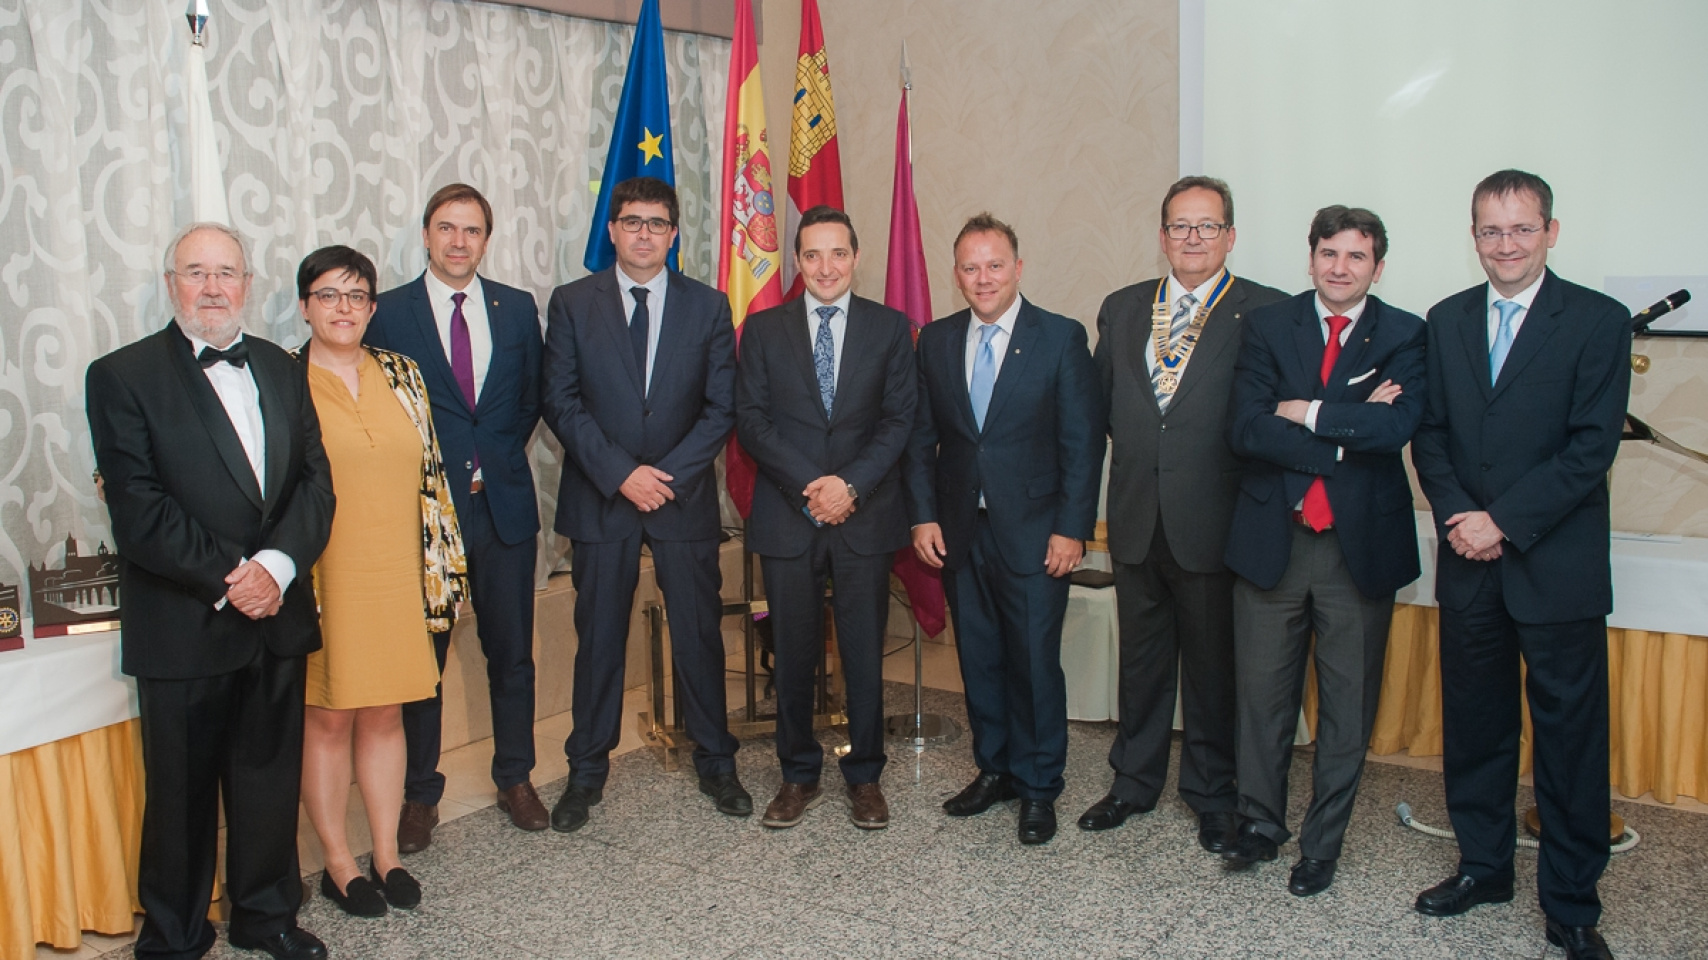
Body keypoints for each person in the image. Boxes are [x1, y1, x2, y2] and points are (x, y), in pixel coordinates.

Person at [85, 223, 334, 960]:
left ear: (248, 285)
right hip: (185, 620)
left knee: (266, 787)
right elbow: (138, 507)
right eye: (196, 272)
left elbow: (315, 484)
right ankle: (174, 935)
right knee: (180, 799)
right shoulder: (121, 375)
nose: (213, 287)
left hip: (275, 620)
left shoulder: (285, 368)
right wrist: (238, 578)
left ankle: (267, 919)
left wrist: (278, 570)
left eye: (227, 272)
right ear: (171, 285)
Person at [1410, 170, 1628, 960]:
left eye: (1521, 230)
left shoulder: (1598, 322)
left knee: (1569, 739)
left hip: (1555, 564)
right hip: (1469, 560)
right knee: (1476, 727)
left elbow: (1590, 448)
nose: (1506, 245)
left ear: (1551, 232)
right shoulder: (1446, 319)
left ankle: (1571, 902)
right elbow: (1429, 433)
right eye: (1490, 231)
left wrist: (1504, 520)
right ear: (1474, 237)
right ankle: (1483, 867)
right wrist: (1463, 520)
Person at [1219, 206, 1426, 895]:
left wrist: (1303, 411)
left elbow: (1395, 428)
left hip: (1356, 547)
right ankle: (1258, 824)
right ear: (1310, 258)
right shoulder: (1269, 325)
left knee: (1346, 708)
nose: (1340, 267)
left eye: (1356, 257)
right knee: (1261, 698)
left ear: (1378, 266)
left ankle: (1322, 844)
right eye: (1329, 253)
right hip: (1273, 539)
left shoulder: (1404, 333)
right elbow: (1246, 428)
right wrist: (1349, 429)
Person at [1083, 176, 1286, 853]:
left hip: (1215, 522)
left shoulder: (1265, 312)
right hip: (1138, 517)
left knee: (1210, 671)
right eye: (1179, 225)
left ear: (1230, 235)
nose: (1192, 238)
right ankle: (1132, 784)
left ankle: (1210, 793)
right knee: (1140, 667)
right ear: (1162, 234)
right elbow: (1107, 411)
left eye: (1207, 226)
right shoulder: (1124, 308)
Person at [541, 176, 748, 831]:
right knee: (598, 640)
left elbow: (722, 409)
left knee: (699, 635)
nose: (644, 234)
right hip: (604, 497)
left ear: (674, 232)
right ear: (612, 230)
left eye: (657, 223)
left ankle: (717, 761)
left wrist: (666, 476)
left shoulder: (709, 306)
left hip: (681, 499)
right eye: (632, 222)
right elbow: (561, 402)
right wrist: (622, 474)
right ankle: (586, 773)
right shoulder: (574, 303)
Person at [907, 213, 1103, 845]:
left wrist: (1072, 529)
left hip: (1037, 532)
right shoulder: (935, 341)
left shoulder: (1060, 338)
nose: (983, 277)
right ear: (956, 275)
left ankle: (1039, 785)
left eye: (995, 265)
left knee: (1034, 664)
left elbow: (1082, 444)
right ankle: (994, 769)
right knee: (982, 659)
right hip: (963, 531)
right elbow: (920, 439)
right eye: (970, 267)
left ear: (1019, 268)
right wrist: (923, 514)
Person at [366, 183, 547, 848]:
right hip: (425, 518)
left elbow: (526, 403)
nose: (458, 241)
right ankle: (420, 795)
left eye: (472, 230)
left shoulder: (518, 309)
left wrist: (486, 458)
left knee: (512, 655)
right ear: (426, 235)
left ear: (486, 239)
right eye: (447, 228)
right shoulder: (387, 312)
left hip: (501, 508)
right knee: (424, 661)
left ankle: (516, 777)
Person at [291, 245, 468, 916]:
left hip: (399, 569)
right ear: (305, 305)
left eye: (358, 296)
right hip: (324, 574)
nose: (345, 308)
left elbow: (432, 477)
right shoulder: (282, 378)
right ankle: (339, 862)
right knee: (331, 715)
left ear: (373, 306)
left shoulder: (403, 372)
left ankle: (387, 853)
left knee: (388, 712)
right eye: (330, 295)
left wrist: (445, 571)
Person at [736, 205, 918, 830]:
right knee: (792, 652)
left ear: (856, 257)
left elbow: (899, 421)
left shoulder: (892, 329)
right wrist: (813, 488)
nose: (825, 266)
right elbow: (752, 421)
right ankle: (797, 774)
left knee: (864, 651)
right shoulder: (762, 330)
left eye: (837, 253)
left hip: (864, 518)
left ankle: (865, 776)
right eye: (811, 255)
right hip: (790, 515)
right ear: (797, 261)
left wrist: (851, 487)